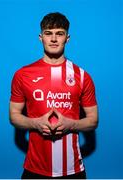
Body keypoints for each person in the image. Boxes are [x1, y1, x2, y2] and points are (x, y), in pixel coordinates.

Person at [9, 12, 98, 179]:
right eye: (48, 33)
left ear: (67, 38)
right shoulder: (23, 74)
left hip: (73, 170)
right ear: (40, 37)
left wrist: (70, 124)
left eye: (60, 33)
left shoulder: (83, 76)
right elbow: (14, 115)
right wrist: (35, 123)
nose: (54, 39)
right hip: (34, 169)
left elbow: (93, 120)